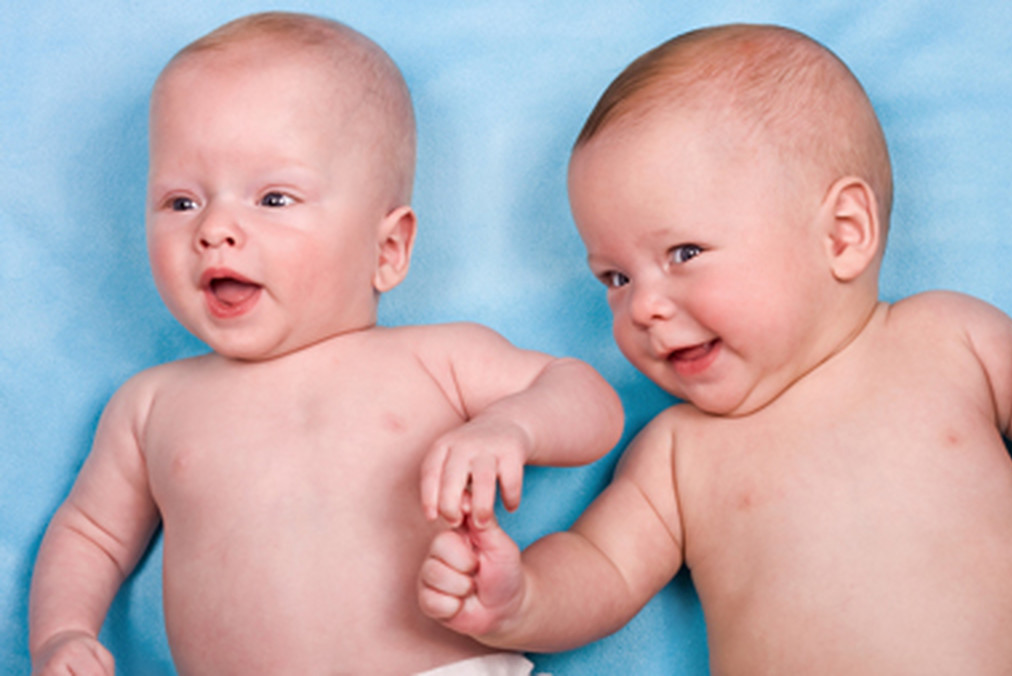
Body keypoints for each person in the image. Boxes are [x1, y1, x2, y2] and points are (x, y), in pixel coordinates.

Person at [417, 23, 1012, 674]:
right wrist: (519, 602)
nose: (644, 306)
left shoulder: (947, 339)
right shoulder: (680, 454)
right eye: (614, 277)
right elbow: (604, 570)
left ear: (842, 235)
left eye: (684, 252)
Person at [28, 12, 622, 676]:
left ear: (387, 248)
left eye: (274, 199)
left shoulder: (435, 359)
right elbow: (90, 535)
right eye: (181, 203)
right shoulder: (150, 406)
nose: (216, 228)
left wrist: (514, 425)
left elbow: (590, 400)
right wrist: (62, 635)